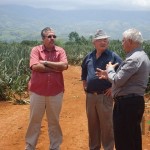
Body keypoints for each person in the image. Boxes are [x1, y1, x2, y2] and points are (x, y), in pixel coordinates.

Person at [96, 28, 150, 150]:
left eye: (123, 40)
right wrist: (108, 75)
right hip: (133, 103)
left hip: (127, 105)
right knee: (133, 138)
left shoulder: (133, 59)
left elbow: (118, 80)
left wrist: (110, 69)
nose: (122, 43)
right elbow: (125, 79)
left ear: (130, 41)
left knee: (124, 140)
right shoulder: (142, 56)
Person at [25, 27, 68, 150]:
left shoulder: (60, 51)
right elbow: (35, 67)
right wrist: (55, 68)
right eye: (49, 36)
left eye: (54, 36)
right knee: (34, 121)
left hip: (55, 92)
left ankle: (55, 147)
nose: (52, 38)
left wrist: (45, 62)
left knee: (54, 122)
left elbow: (64, 65)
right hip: (37, 91)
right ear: (43, 38)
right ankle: (30, 146)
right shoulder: (36, 50)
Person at [81, 29, 122, 150]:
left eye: (106, 40)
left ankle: (108, 148)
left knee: (107, 126)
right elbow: (83, 71)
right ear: (94, 42)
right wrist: (84, 84)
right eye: (101, 40)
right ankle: (94, 147)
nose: (104, 42)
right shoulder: (89, 56)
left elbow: (124, 73)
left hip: (105, 96)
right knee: (92, 125)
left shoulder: (113, 56)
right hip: (90, 97)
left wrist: (113, 87)